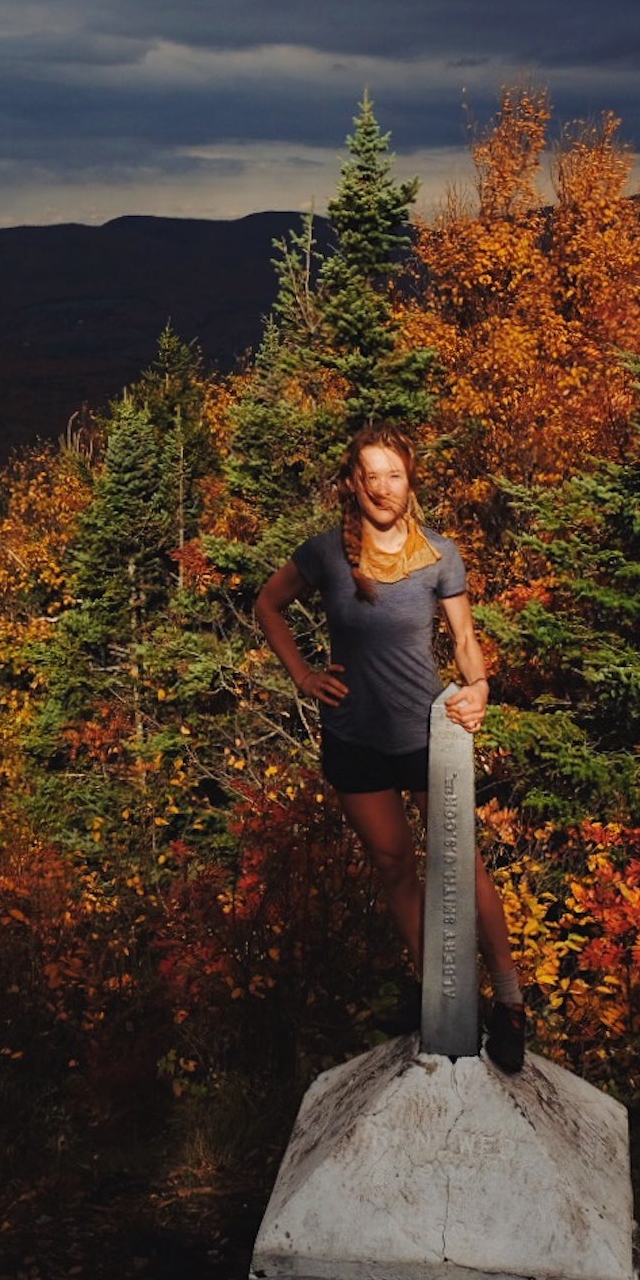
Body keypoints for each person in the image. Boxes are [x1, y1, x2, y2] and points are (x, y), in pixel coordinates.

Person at [252, 425, 530, 1073]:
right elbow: (268, 604)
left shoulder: (439, 554)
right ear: (353, 484)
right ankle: (438, 993)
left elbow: (464, 640)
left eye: (394, 475)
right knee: (394, 865)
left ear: (410, 481)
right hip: (354, 738)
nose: (382, 487)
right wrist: (303, 676)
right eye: (370, 475)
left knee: (462, 864)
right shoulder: (324, 555)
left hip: (429, 735)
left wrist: (480, 687)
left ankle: (511, 1001)